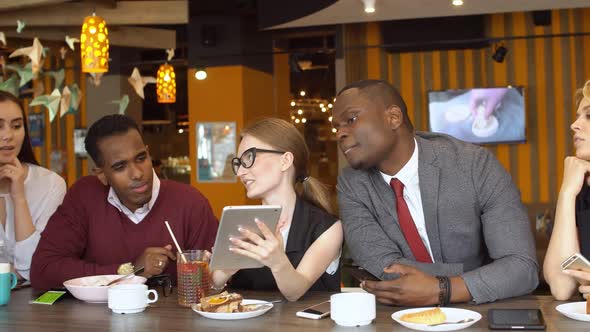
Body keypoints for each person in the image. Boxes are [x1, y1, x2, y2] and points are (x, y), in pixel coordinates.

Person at [333, 80, 538, 306]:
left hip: (481, 316)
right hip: (403, 319)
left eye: (351, 120)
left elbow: (521, 268)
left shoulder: (474, 165)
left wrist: (442, 289)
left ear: (393, 118)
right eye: (337, 127)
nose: (340, 133)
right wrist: (475, 277)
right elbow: (385, 269)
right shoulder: (351, 184)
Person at [30, 115, 218, 290]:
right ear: (102, 174)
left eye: (141, 158)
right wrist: (129, 270)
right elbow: (43, 271)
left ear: (148, 153)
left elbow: (217, 278)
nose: (137, 173)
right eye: (120, 167)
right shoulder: (84, 196)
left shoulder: (190, 202)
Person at [210, 118, 342, 301]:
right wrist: (223, 272)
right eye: (238, 163)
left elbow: (295, 291)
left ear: (285, 160)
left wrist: (277, 261)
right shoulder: (240, 223)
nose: (240, 173)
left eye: (249, 158)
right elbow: (212, 290)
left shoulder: (327, 228)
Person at [0, 91, 66, 281]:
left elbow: (34, 268)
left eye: (17, 126)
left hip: (33, 307)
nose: (8, 136)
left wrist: (19, 197)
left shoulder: (51, 185)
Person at [544, 79, 590, 300]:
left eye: (588, 115)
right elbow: (561, 287)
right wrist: (567, 193)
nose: (574, 124)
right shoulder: (582, 188)